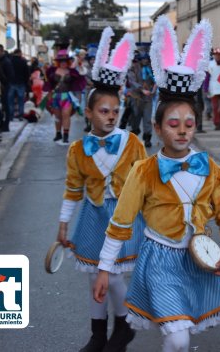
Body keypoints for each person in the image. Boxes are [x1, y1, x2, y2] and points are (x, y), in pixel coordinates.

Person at [94, 16, 220, 352]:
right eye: (173, 123)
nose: (182, 130)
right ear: (158, 128)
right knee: (177, 336)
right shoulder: (144, 171)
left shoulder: (211, 170)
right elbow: (121, 222)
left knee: (182, 335)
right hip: (159, 259)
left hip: (199, 258)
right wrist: (104, 268)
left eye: (189, 123)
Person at [56, 28, 145, 352]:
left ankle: (123, 325)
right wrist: (64, 222)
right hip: (93, 217)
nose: (110, 116)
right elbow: (72, 189)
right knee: (94, 278)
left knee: (115, 277)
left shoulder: (132, 143)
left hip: (122, 219)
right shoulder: (78, 150)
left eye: (115, 111)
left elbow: (145, 184)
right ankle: (97, 334)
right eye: (103, 111)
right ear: (89, 112)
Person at [44, 50, 83, 144]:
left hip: (67, 96)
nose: (63, 63)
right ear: (58, 62)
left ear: (68, 62)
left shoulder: (72, 72)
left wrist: (78, 97)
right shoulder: (52, 71)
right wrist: (48, 94)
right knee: (57, 116)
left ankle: (66, 135)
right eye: (61, 61)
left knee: (66, 115)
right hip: (56, 96)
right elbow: (48, 83)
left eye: (65, 61)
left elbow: (79, 82)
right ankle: (58, 134)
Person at [128, 54, 155, 147]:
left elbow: (155, 80)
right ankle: (134, 134)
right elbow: (132, 81)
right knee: (136, 118)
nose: (145, 61)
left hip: (148, 98)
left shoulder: (151, 69)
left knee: (147, 119)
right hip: (136, 97)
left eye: (146, 59)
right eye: (143, 59)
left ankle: (147, 138)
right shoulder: (134, 69)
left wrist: (153, 89)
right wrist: (141, 89)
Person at [0, 44, 13, 132]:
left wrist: (5, 83)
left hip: (5, 87)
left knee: (6, 106)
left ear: (2, 51)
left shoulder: (6, 61)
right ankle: (1, 122)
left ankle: (6, 124)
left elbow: (11, 76)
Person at [7, 49, 30, 122]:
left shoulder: (10, 61)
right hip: (21, 82)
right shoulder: (23, 61)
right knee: (21, 100)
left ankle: (11, 115)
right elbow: (27, 73)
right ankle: (20, 115)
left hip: (11, 82)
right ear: (20, 53)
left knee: (10, 100)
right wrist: (26, 82)